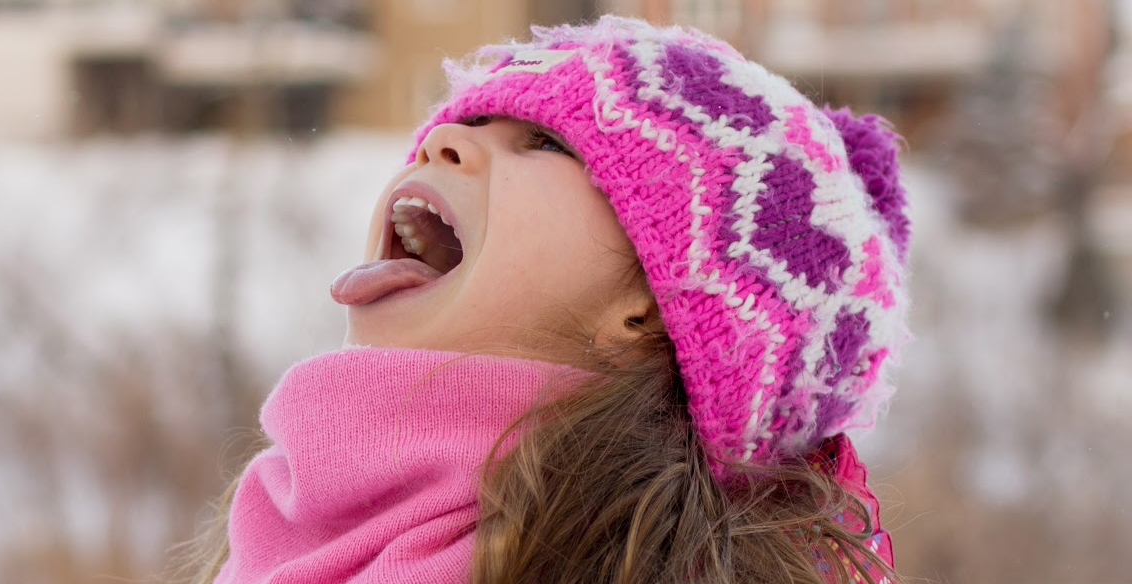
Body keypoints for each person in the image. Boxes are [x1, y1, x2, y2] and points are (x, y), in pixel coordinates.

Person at [175, 15, 910, 584]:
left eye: (544, 143)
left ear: (652, 308)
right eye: (465, 123)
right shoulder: (273, 530)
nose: (444, 144)